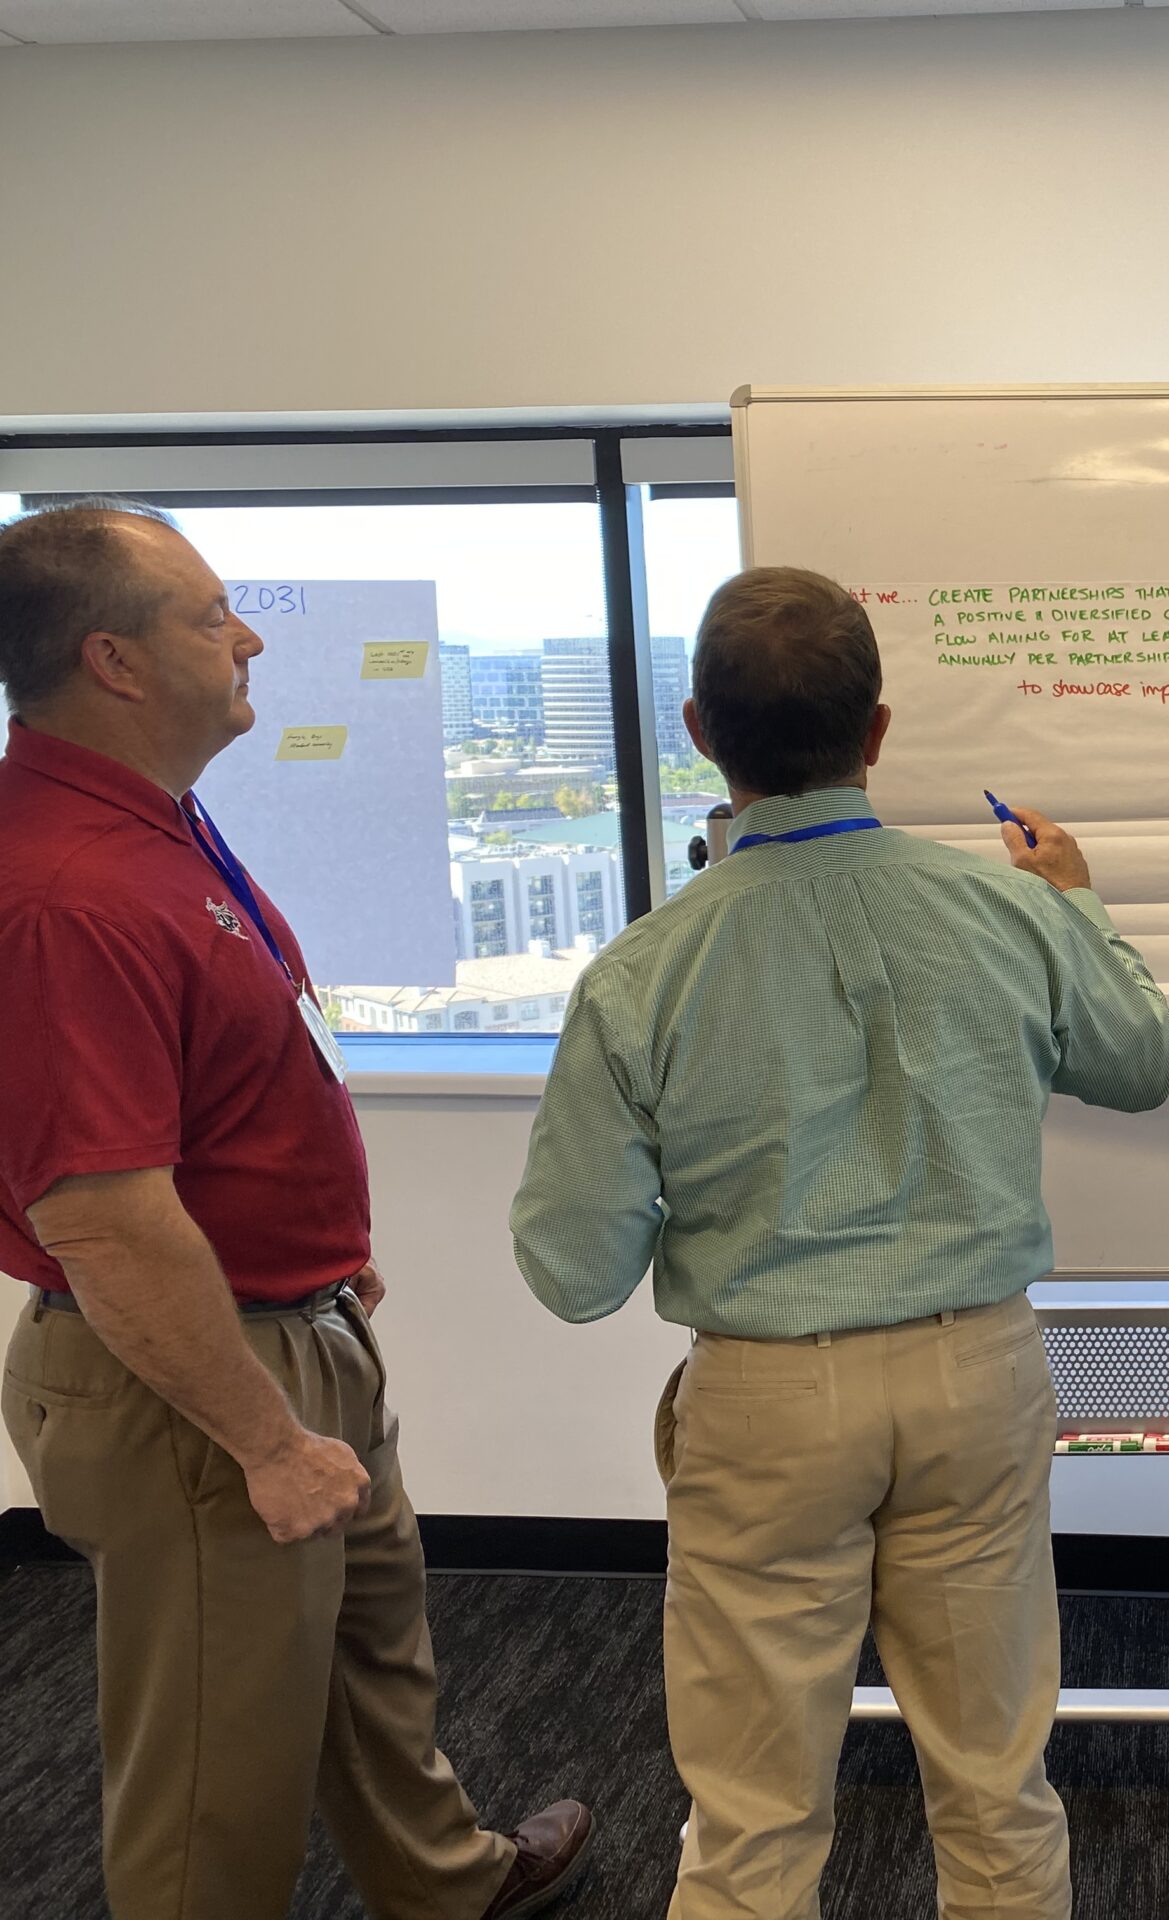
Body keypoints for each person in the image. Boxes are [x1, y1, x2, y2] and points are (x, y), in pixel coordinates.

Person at [511, 565, 1169, 1920]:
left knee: (753, 1822)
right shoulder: (1011, 914)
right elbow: (1141, 1062)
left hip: (763, 1397)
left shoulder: (643, 971)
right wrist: (1075, 899)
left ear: (698, 732)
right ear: (876, 733)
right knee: (998, 1786)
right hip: (978, 1373)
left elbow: (574, 1273)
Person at [0, 502, 593, 1920]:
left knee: (372, 1663)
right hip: (200, 1388)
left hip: (293, 1324)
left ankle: (450, 1884)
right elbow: (100, 1215)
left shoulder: (153, 822)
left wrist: (326, 1262)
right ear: (116, 661)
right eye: (212, 614)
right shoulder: (67, 891)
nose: (250, 633)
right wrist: (266, 1439)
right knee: (217, 1766)